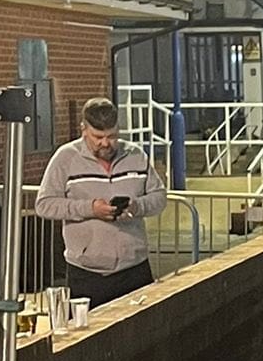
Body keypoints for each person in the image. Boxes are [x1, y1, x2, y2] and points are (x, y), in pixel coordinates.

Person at [33, 97, 167, 308]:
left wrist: (136, 206)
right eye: (98, 137)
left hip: (134, 267)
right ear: (83, 129)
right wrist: (90, 209)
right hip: (87, 272)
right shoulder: (65, 158)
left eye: (112, 136)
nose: (105, 143)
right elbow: (44, 204)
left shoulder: (136, 155)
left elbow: (159, 197)